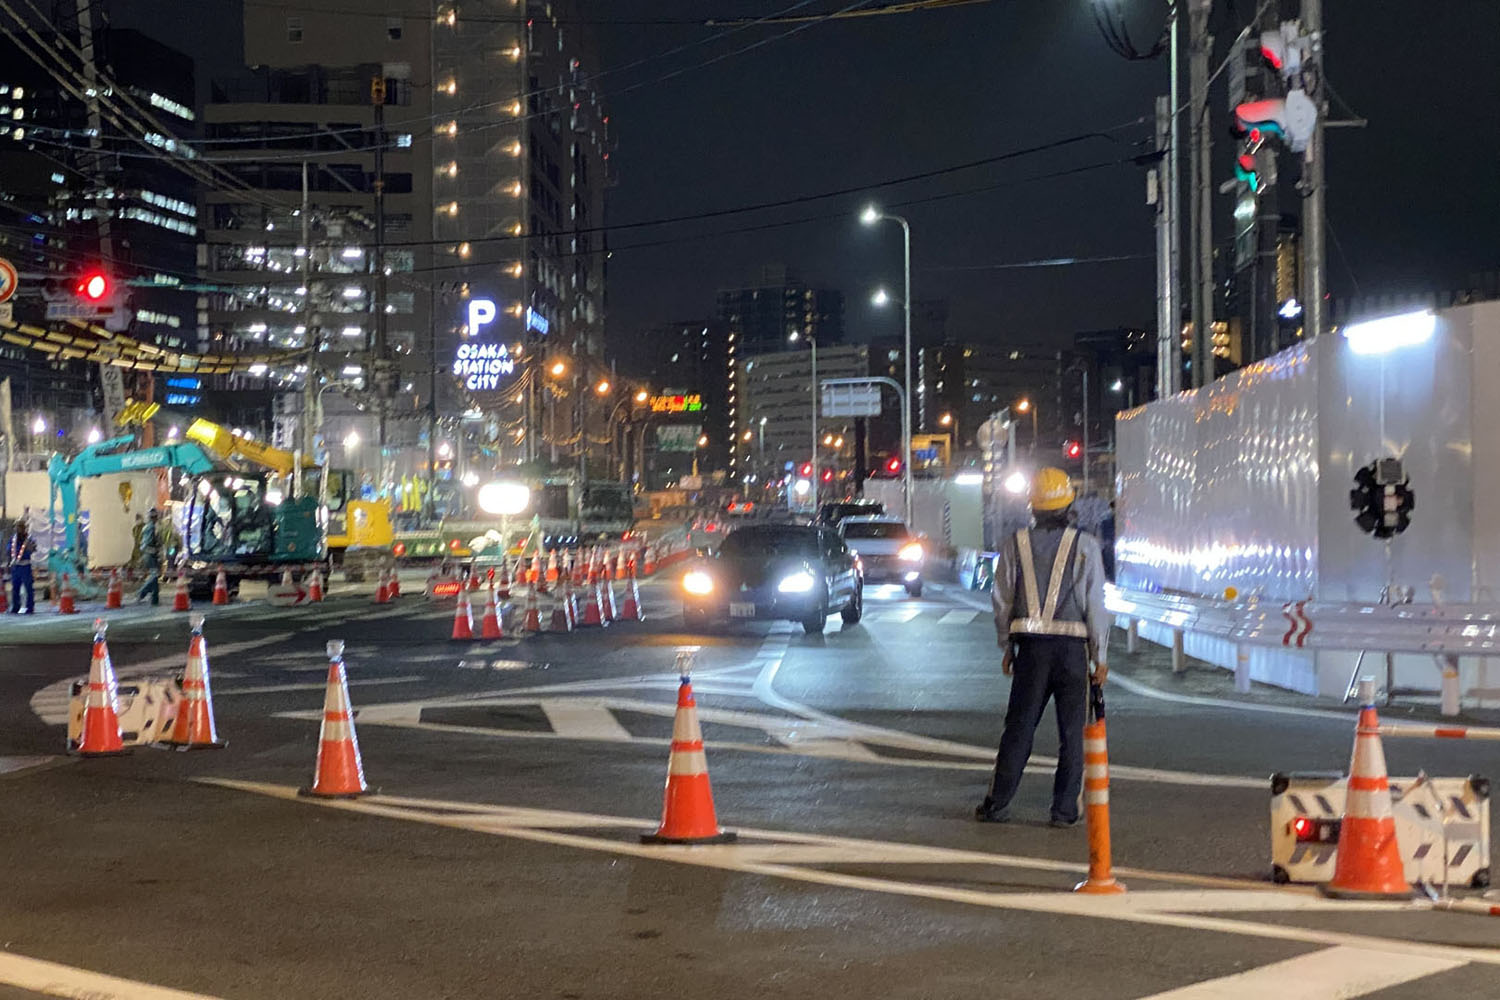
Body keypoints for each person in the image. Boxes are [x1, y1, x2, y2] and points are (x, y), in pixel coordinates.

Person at [977, 467, 1110, 827]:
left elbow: (1002, 599)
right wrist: (1100, 656)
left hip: (1031, 651)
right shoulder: (1085, 546)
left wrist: (1006, 646)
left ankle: (997, 803)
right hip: (1072, 652)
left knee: (1019, 727)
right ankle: (1064, 810)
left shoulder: (1014, 544)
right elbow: (1095, 603)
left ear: (1032, 508)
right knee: (1071, 734)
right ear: (1069, 506)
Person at [7, 516, 37, 614]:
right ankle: (15, 607)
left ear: (24, 528)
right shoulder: (13, 539)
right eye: (17, 527)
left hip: (25, 567)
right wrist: (9, 564)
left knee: (29, 588)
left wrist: (30, 547)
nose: (18, 529)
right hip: (16, 567)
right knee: (15, 588)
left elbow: (33, 549)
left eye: (20, 526)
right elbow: (9, 552)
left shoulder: (29, 539)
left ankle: (30, 607)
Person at [136, 508, 163, 605]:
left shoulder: (147, 527)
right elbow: (148, 543)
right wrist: (156, 552)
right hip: (150, 554)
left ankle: (155, 598)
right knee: (154, 575)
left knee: (155, 577)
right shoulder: (151, 528)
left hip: (148, 554)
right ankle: (141, 593)